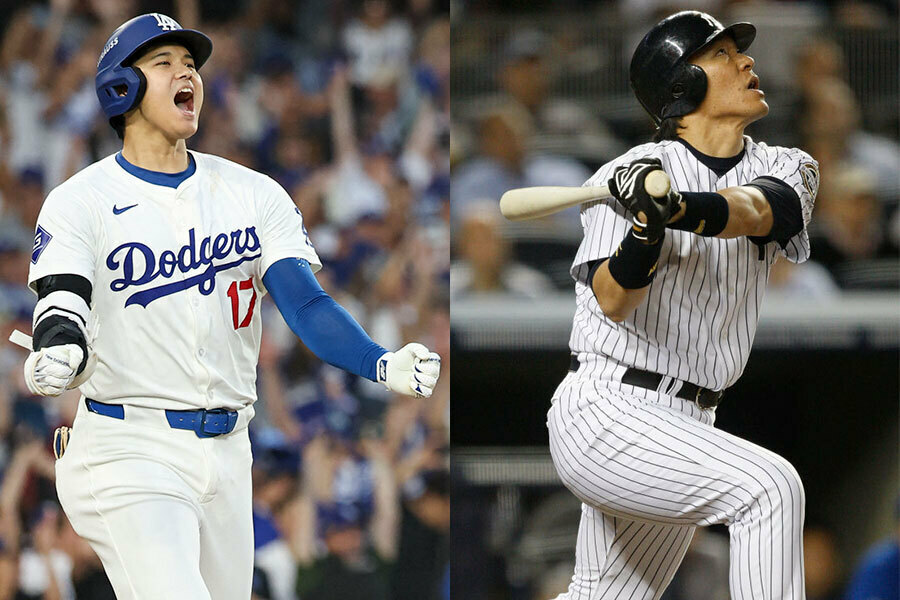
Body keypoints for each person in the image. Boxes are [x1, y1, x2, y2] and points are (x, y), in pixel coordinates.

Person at [20, 13, 441, 600]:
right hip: (128, 446)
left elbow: (306, 303)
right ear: (123, 86)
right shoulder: (80, 200)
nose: (186, 73)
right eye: (164, 63)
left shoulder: (252, 193)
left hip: (227, 451)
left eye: (190, 64)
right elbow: (61, 298)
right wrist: (57, 343)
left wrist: (379, 361)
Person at [545, 11, 817, 600]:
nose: (746, 60)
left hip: (689, 421)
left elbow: (755, 211)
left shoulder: (787, 165)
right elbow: (614, 300)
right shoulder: (624, 175)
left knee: (607, 595)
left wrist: (675, 209)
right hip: (608, 409)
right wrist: (644, 227)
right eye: (721, 55)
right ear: (682, 85)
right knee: (769, 487)